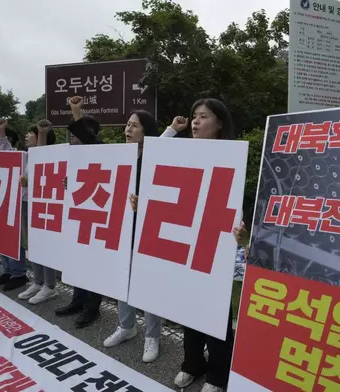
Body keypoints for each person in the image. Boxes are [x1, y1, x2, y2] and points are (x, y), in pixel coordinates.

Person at [151, 98, 238, 392]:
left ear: (220, 124)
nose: (197, 122)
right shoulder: (184, 152)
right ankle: (191, 363)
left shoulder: (231, 154)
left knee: (216, 312)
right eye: (194, 116)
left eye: (204, 116)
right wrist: (172, 130)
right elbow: (155, 156)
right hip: (187, 238)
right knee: (189, 307)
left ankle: (218, 373)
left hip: (215, 243)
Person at [102, 110, 180, 363]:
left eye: (134, 126)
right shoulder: (119, 156)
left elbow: (161, 147)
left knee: (147, 283)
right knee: (122, 279)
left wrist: (172, 128)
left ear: (146, 133)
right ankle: (126, 326)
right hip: (121, 228)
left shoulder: (152, 156)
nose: (128, 129)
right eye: (127, 124)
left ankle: (152, 335)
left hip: (147, 229)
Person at [53, 96, 104, 328]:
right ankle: (78, 300)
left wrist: (76, 112)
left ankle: (92, 308)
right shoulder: (75, 158)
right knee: (78, 261)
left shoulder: (102, 152)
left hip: (98, 219)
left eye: (77, 134)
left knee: (93, 265)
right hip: (79, 217)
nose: (73, 138)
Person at [17, 121, 60, 304]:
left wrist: (42, 133)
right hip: (28, 204)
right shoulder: (28, 156)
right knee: (33, 245)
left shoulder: (51, 155)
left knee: (45, 245)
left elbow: (45, 176)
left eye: (31, 133)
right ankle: (38, 281)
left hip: (45, 206)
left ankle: (49, 286)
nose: (27, 136)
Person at [0, 120, 29, 291]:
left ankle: (19, 273)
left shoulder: (26, 156)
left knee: (16, 238)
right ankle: (8, 270)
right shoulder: (6, 156)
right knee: (3, 235)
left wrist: (2, 131)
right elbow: (5, 149)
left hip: (22, 201)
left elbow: (7, 148)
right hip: (6, 199)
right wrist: (0, 130)